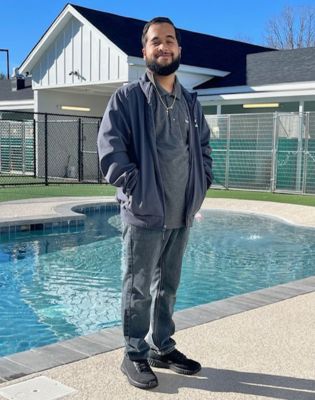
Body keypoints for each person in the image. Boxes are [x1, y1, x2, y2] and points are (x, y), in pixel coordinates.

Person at [97, 16, 213, 390]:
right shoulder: (128, 99)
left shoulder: (191, 103)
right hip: (144, 213)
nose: (163, 47)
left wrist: (200, 185)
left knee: (169, 286)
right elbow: (110, 152)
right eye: (155, 41)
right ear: (144, 51)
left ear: (179, 48)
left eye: (170, 40)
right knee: (138, 287)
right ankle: (134, 353)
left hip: (182, 212)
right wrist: (135, 187)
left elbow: (205, 151)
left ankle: (162, 346)